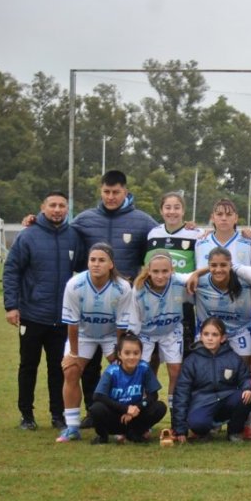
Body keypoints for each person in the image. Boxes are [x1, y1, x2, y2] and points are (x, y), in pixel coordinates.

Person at [69, 170, 157, 429]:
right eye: (106, 192)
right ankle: (93, 412)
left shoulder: (142, 221)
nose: (110, 197)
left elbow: (163, 241)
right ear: (101, 191)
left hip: (124, 303)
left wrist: (189, 230)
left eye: (115, 192)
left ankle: (136, 410)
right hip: (92, 304)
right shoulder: (84, 219)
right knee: (90, 365)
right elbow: (62, 233)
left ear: (125, 192)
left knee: (125, 362)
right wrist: (36, 219)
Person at [4, 191, 84, 431]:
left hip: (62, 317)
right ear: (43, 208)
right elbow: (12, 271)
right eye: (53, 205)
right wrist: (11, 306)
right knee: (28, 366)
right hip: (32, 313)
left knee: (58, 368)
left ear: (67, 209)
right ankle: (26, 415)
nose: (57, 209)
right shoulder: (28, 235)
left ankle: (57, 414)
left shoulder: (73, 236)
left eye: (62, 205)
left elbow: (83, 266)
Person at [56, 243, 133, 442]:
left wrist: (119, 353)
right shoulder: (75, 284)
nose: (96, 264)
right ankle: (72, 427)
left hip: (110, 335)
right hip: (83, 334)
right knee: (71, 370)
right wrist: (73, 354)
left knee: (123, 372)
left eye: (101, 260)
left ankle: (122, 425)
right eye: (92, 260)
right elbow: (72, 324)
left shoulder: (122, 287)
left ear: (111, 264)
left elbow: (121, 326)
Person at [172, 316, 251, 443]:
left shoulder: (233, 357)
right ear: (200, 336)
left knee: (245, 397)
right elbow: (181, 393)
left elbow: (245, 377)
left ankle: (234, 432)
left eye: (215, 334)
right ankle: (204, 430)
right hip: (203, 402)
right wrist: (180, 429)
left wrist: (248, 388)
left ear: (223, 338)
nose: (210, 338)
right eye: (206, 334)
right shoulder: (191, 361)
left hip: (226, 399)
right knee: (198, 424)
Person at [145, 191, 205, 357]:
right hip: (157, 301)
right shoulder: (153, 234)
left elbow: (200, 265)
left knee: (185, 351)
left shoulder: (196, 234)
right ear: (161, 210)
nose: (172, 211)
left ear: (183, 210)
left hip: (182, 300)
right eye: (168, 207)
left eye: (176, 207)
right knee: (153, 354)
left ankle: (182, 384)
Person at [131, 250, 191, 412]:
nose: (160, 275)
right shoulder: (139, 289)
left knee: (176, 371)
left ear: (172, 270)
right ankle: (142, 410)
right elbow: (133, 318)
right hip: (145, 333)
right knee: (141, 372)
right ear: (148, 270)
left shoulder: (179, 281)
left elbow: (196, 276)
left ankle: (175, 414)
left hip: (171, 331)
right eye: (155, 271)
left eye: (165, 271)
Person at [87, 333, 167, 444]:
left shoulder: (144, 368)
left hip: (135, 414)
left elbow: (153, 395)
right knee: (96, 409)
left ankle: (135, 433)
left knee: (160, 407)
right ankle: (103, 436)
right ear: (119, 354)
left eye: (136, 353)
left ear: (141, 354)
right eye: (127, 353)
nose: (132, 357)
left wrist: (136, 408)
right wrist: (125, 409)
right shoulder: (112, 371)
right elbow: (98, 396)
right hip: (115, 415)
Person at [191, 247, 251, 364]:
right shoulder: (198, 281)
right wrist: (197, 273)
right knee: (204, 366)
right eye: (213, 265)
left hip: (240, 330)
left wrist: (199, 271)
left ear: (230, 265)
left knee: (242, 367)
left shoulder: (246, 281)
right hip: (210, 332)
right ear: (208, 266)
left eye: (223, 265)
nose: (218, 269)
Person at [195, 198, 251, 268]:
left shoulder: (249, 244)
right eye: (219, 214)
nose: (224, 218)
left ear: (236, 218)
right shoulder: (200, 243)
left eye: (229, 214)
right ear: (212, 218)